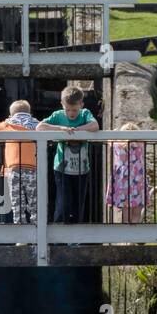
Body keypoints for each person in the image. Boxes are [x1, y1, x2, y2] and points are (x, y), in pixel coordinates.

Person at [36, 86, 99, 223]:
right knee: (62, 204)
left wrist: (76, 130)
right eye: (67, 110)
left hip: (82, 170)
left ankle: (74, 240)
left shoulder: (84, 114)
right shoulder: (58, 115)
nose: (71, 113)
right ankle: (59, 239)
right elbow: (40, 127)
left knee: (78, 205)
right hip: (61, 169)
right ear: (62, 105)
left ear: (81, 105)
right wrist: (61, 128)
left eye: (75, 110)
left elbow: (95, 126)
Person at [0, 100, 38, 224]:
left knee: (17, 203)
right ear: (29, 113)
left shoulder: (7, 125)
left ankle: (21, 235)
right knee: (34, 202)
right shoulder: (35, 124)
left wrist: (7, 121)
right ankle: (37, 231)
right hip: (32, 168)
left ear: (11, 114)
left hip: (13, 169)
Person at [106, 122, 147, 223]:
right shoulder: (140, 145)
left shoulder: (117, 145)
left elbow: (108, 140)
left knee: (126, 211)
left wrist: (115, 133)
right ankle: (134, 233)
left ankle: (127, 234)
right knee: (137, 211)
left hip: (123, 182)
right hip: (138, 181)